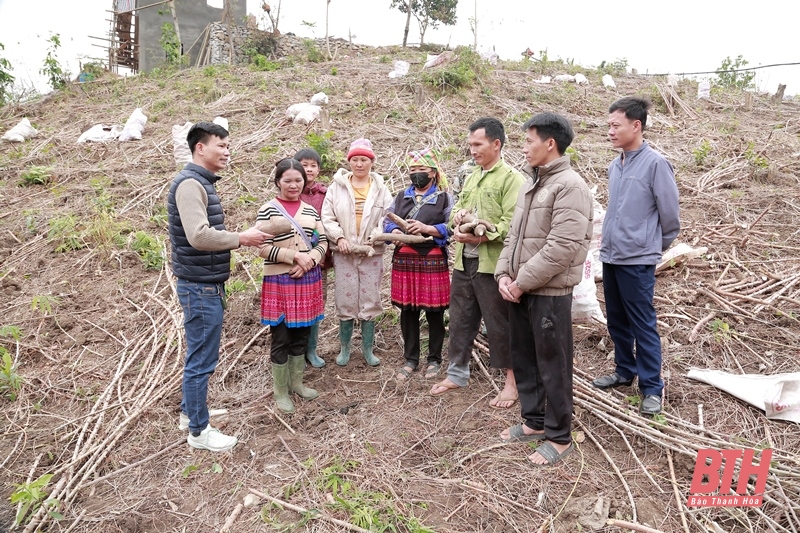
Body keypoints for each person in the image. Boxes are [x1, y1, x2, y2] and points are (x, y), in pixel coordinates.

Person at [495, 113, 592, 466]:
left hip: (547, 294)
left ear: (549, 143)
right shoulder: (531, 184)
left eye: (528, 141)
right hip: (520, 290)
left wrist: (521, 282)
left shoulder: (570, 186)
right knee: (525, 359)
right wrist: (504, 275)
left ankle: (559, 435)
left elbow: (561, 247)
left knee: (553, 364)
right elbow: (513, 237)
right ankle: (534, 422)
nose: (524, 149)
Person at [168, 121, 271, 452]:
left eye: (229, 146)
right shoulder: (189, 185)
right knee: (201, 360)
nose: (227, 152)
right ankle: (199, 432)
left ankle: (190, 413)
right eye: (221, 145)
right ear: (201, 148)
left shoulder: (201, 183)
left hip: (205, 283)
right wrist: (242, 238)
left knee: (201, 354)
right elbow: (198, 235)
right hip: (199, 287)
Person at [591, 96, 680, 416]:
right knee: (616, 319)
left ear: (636, 125)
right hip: (612, 256)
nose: (611, 131)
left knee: (643, 324)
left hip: (637, 259)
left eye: (616, 125)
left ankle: (652, 387)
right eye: (609, 125)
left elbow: (671, 219)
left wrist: (649, 247)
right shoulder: (616, 165)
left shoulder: (656, 163)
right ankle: (624, 370)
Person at [429, 117, 523, 409]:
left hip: (493, 265)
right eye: (470, 145)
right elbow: (456, 207)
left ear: (496, 144)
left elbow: (513, 225)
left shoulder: (512, 179)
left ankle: (512, 382)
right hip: (463, 263)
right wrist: (457, 217)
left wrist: (483, 237)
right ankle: (457, 373)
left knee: (500, 324)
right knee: (460, 320)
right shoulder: (472, 175)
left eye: (478, 144)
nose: (472, 150)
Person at [255, 158, 328, 414]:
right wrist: (293, 257)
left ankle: (297, 383)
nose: (294, 184)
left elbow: (322, 241)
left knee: (302, 334)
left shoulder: (310, 210)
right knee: (281, 335)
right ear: (278, 182)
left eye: (298, 180)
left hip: (307, 279)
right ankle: (280, 391)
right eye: (288, 180)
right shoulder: (268, 209)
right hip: (279, 280)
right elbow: (260, 246)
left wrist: (310, 261)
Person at [321, 138, 393, 367]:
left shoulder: (381, 189)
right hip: (344, 252)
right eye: (355, 160)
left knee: (370, 297)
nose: (359, 164)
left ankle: (367, 349)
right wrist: (339, 238)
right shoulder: (337, 187)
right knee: (345, 297)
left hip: (372, 252)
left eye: (364, 159)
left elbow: (388, 216)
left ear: (371, 162)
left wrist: (377, 235)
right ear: (349, 161)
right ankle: (345, 348)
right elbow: (327, 217)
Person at [384, 149, 452, 381]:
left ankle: (434, 359)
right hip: (404, 258)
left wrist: (427, 229)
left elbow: (452, 226)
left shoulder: (444, 197)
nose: (416, 175)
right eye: (412, 171)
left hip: (432, 258)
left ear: (432, 173)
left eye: (421, 170)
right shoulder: (401, 196)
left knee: (435, 312)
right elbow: (387, 220)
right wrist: (394, 231)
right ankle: (410, 358)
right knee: (408, 310)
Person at [295, 147, 333, 368]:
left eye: (313, 165)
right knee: (295, 305)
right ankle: (296, 352)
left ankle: (311, 349)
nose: (309, 169)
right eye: (304, 164)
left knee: (317, 305)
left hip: (320, 260)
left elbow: (327, 225)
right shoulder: (290, 190)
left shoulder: (325, 194)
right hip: (293, 259)